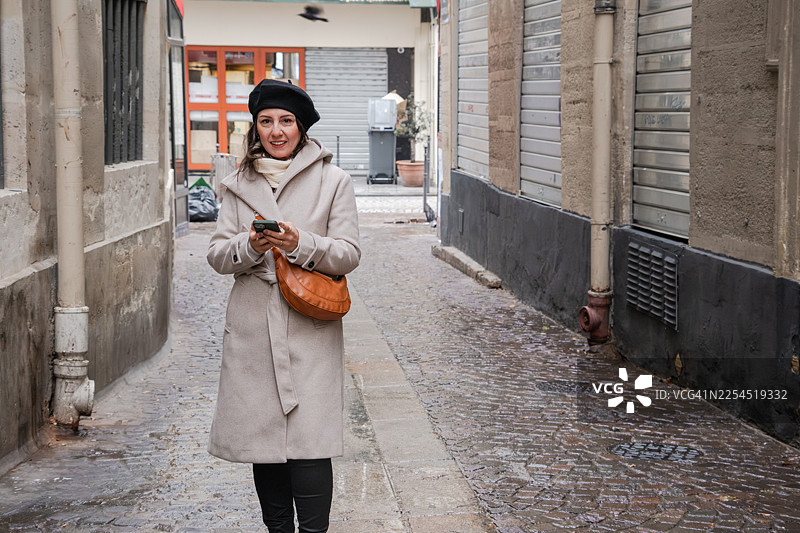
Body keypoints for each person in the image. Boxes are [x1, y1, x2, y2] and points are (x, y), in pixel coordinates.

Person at [206, 79, 360, 533]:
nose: (276, 131)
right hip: (253, 327)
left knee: (311, 441)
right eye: (266, 121)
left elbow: (349, 252)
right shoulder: (235, 185)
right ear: (255, 128)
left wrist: (300, 243)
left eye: (286, 121)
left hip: (309, 325)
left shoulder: (334, 182)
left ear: (302, 127)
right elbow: (217, 255)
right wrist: (250, 245)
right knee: (264, 440)